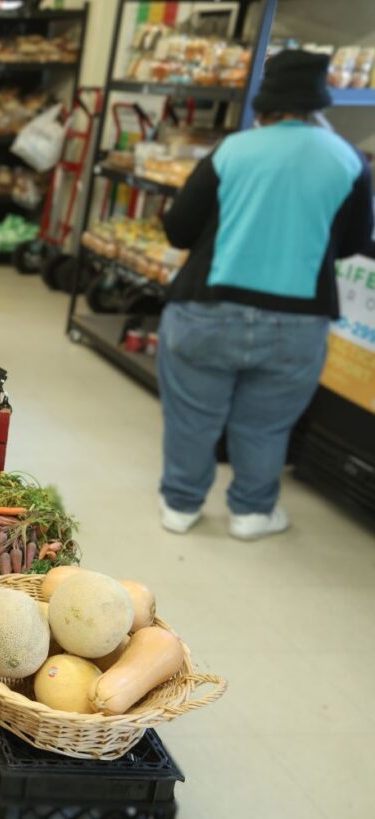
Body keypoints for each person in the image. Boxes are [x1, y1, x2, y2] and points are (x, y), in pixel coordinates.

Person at [157, 50, 373, 540]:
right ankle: (253, 513)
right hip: (298, 321)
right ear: (321, 104)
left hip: (205, 310)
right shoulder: (349, 159)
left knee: (192, 415)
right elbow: (357, 241)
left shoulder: (232, 150)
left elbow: (177, 229)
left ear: (266, 104)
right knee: (268, 424)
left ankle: (181, 505)